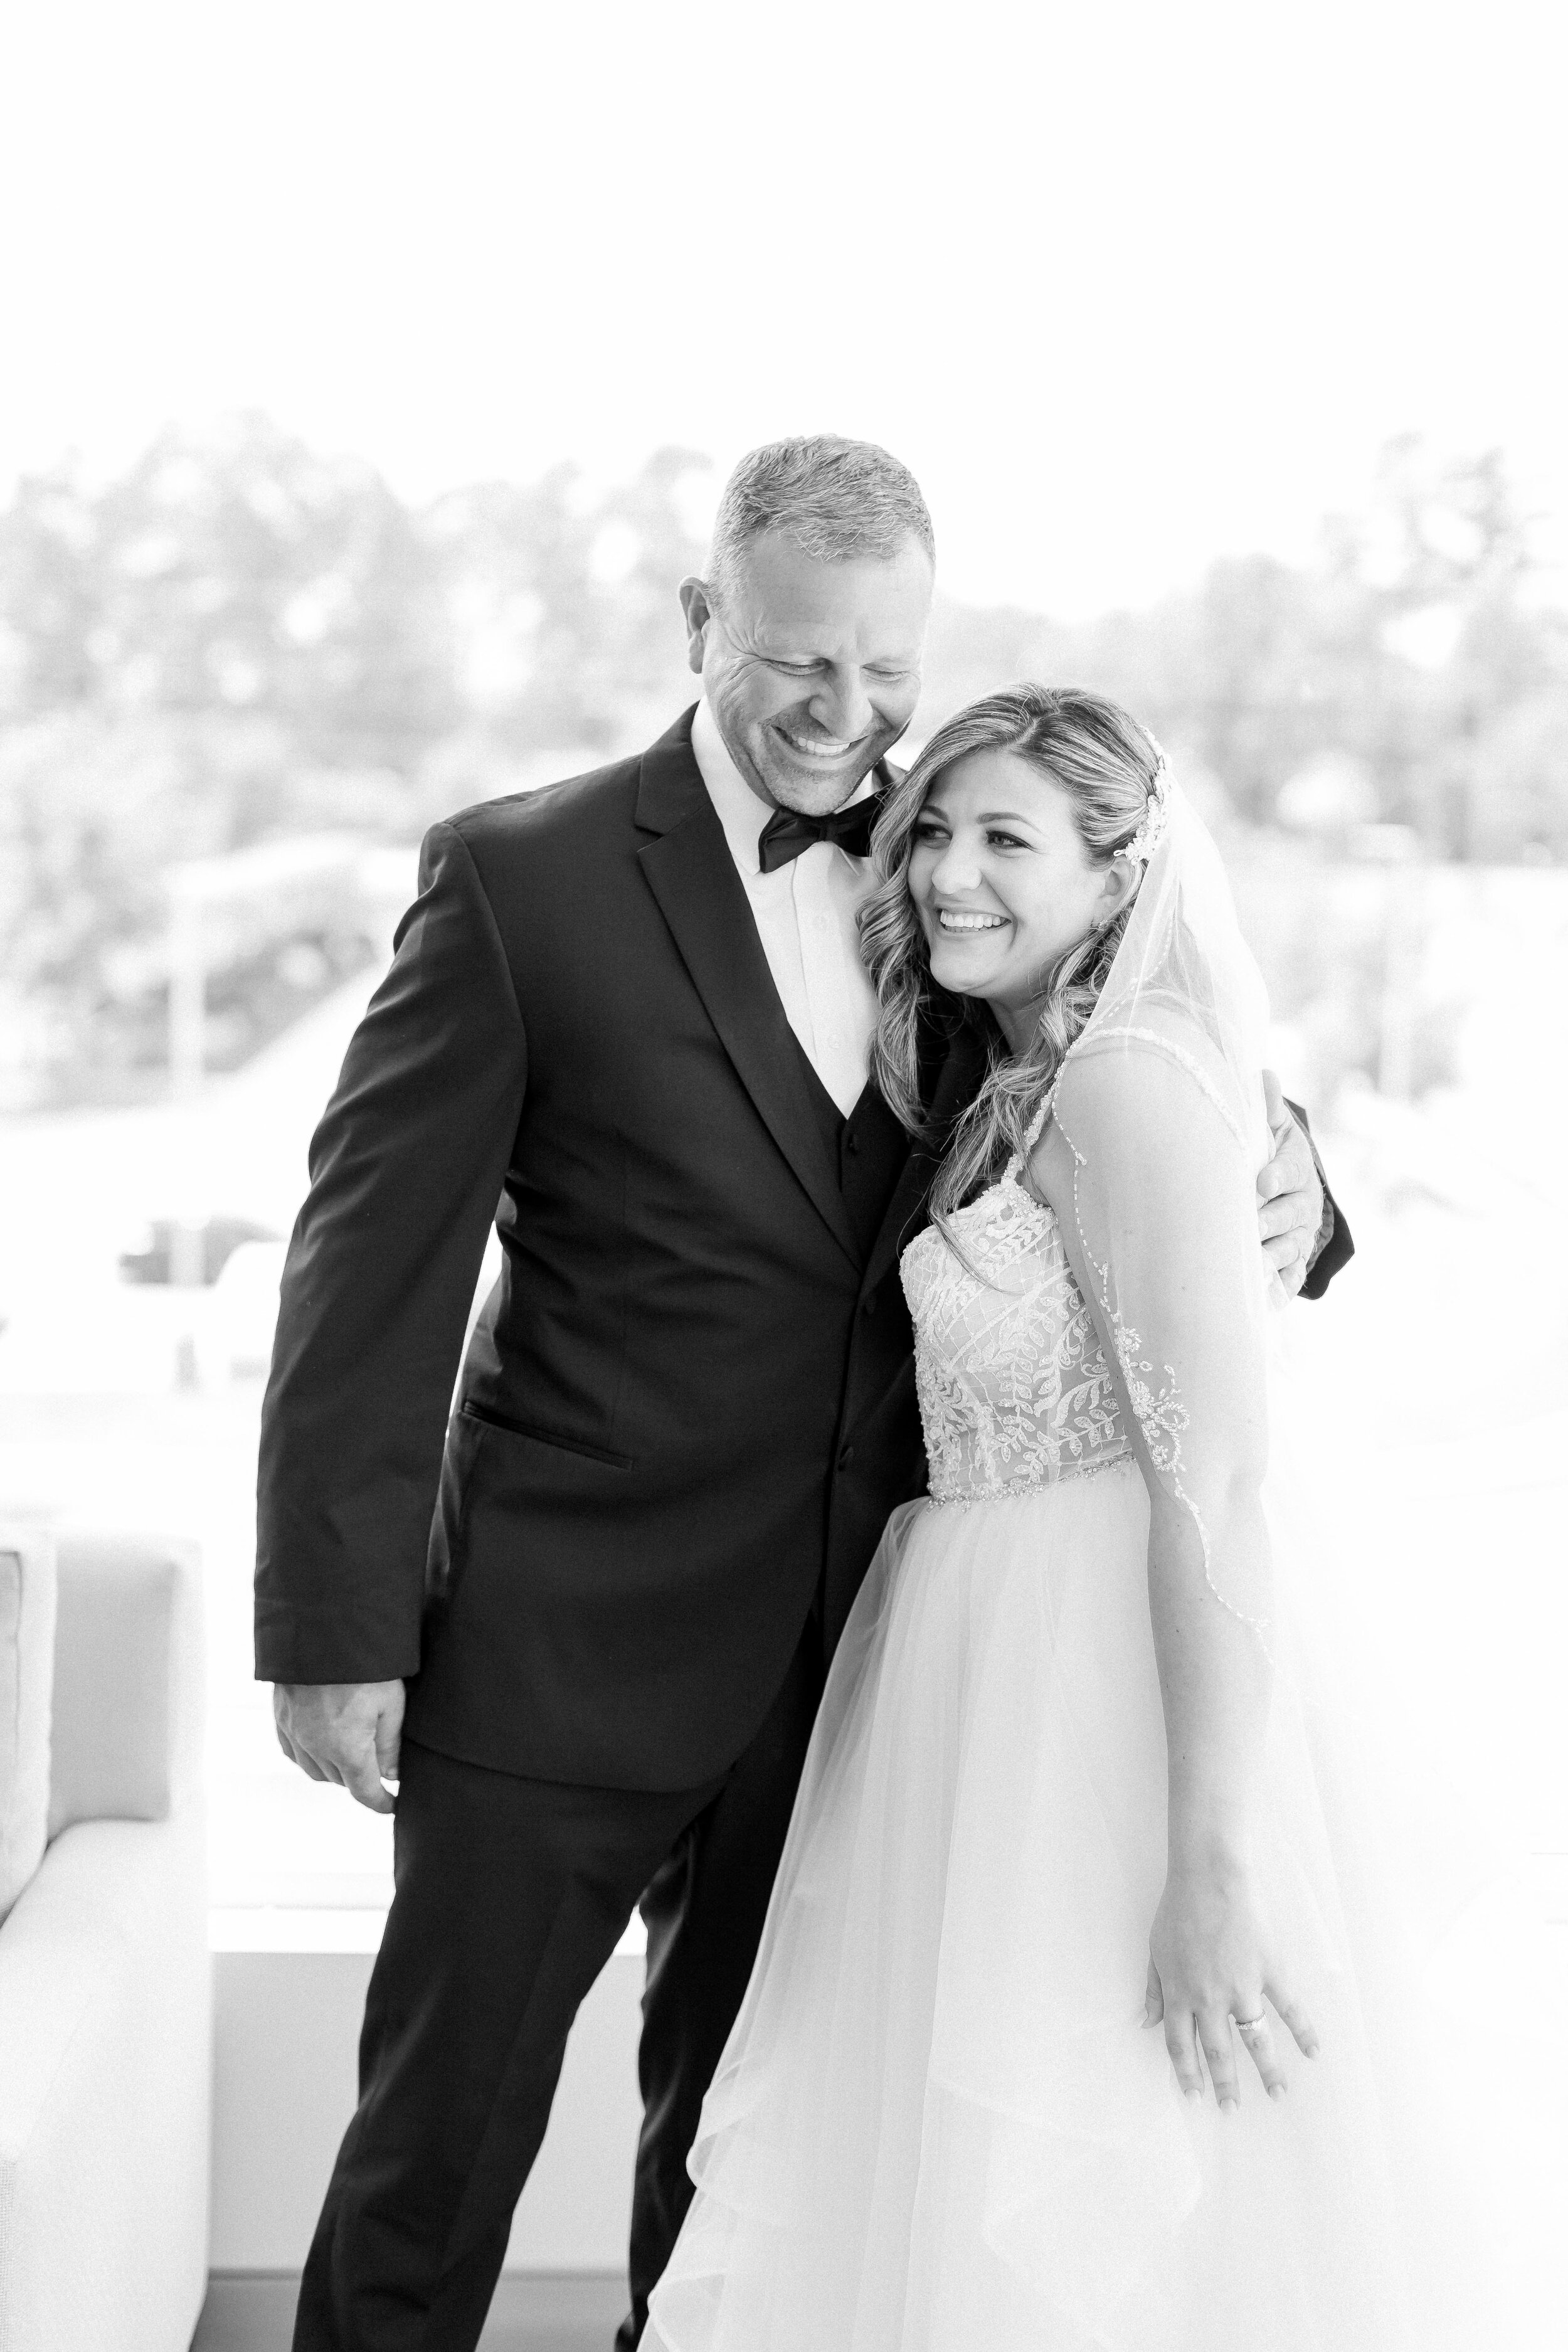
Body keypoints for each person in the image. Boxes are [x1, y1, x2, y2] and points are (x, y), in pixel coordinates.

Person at [255, 440, 1347, 2352]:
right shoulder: (522, 882)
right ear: (703, 624)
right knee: (432, 2163)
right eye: (799, 670)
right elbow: (367, 1277)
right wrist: (331, 1633)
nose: (850, 724)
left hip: (863, 1674)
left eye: (885, 676)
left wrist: (1297, 1173)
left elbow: (1103, 1093)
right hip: (551, 1647)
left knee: (744, 2174)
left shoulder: (945, 879)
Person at [643, 686, 1547, 2351]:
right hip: (968, 1682)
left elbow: (1211, 1478)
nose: (946, 877)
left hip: (1102, 1706)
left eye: (1008, 840)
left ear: (1120, 879)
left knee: (1123, 2177)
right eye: (933, 835)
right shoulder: (998, 1078)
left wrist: (1207, 1855)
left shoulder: (1126, 1079)